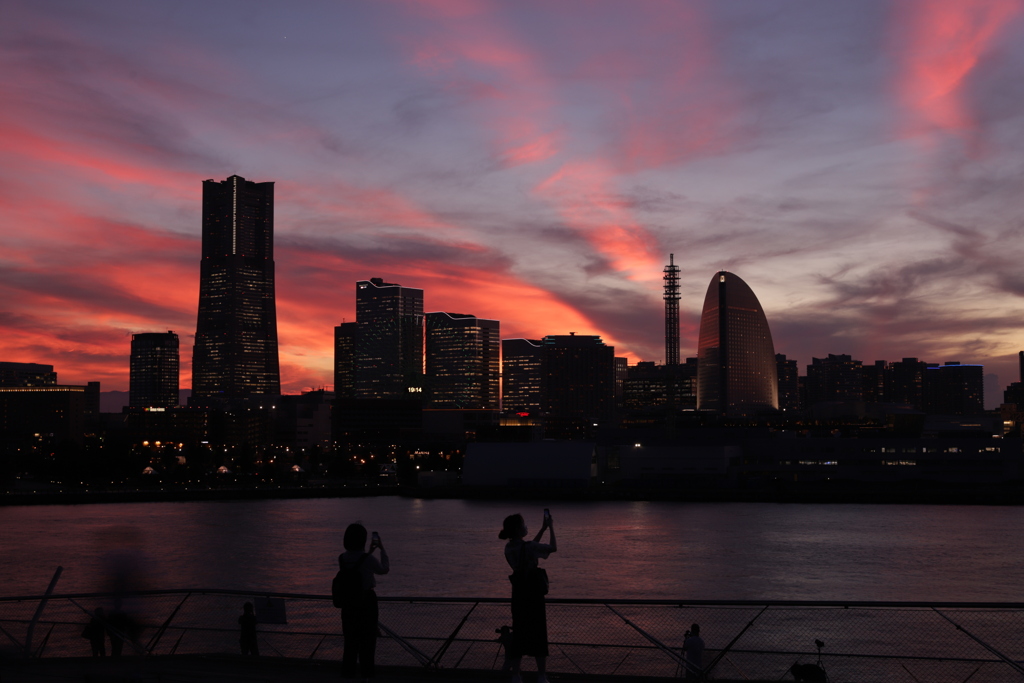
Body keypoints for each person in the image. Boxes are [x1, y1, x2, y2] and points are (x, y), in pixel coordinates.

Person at [500, 512, 557, 683]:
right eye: (524, 525)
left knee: (519, 634)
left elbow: (529, 546)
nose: (526, 527)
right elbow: (552, 548)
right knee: (538, 633)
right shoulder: (529, 547)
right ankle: (541, 675)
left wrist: (542, 529)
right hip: (533, 594)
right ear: (518, 529)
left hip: (518, 594)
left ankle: (516, 675)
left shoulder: (508, 548)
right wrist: (551, 528)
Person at [337, 523, 389, 680]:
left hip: (348, 604)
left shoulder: (342, 558)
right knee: (367, 644)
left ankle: (348, 676)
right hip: (367, 602)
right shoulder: (368, 559)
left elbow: (358, 563)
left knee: (350, 644)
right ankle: (367, 676)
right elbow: (383, 569)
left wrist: (369, 553)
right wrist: (382, 549)